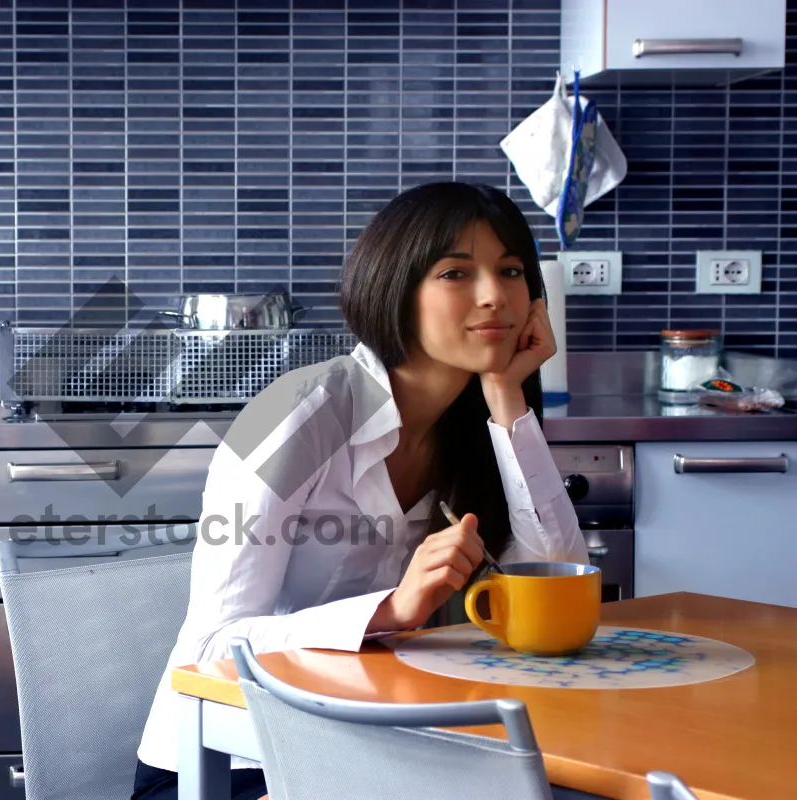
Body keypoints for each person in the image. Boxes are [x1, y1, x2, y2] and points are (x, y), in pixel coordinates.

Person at [130, 181, 589, 799]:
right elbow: (213, 645)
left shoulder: (476, 422)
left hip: (370, 744)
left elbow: (554, 585)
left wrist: (508, 398)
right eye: (456, 274)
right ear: (395, 288)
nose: (494, 296)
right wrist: (392, 610)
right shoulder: (300, 414)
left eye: (510, 271)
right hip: (227, 762)